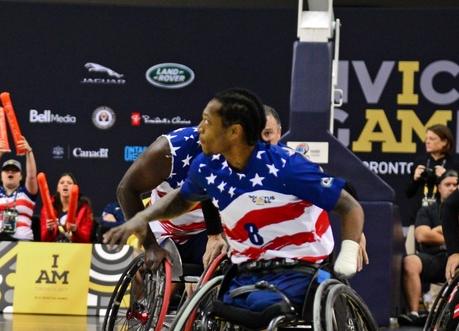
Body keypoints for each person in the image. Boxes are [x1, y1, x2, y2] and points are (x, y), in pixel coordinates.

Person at [106, 89, 365, 313]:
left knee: (226, 267)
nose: (201, 130)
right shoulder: (178, 152)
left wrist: (354, 232)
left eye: (209, 123)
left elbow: (338, 191)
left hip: (226, 238)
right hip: (169, 230)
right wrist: (147, 238)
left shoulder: (277, 161)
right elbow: (150, 194)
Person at [103, 127, 225, 277]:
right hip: (166, 231)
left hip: (204, 230)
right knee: (156, 273)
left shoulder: (249, 153)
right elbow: (125, 189)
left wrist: (215, 236)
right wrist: (150, 246)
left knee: (228, 260)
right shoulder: (171, 149)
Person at [399, 170, 459, 326]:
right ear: (439, 187)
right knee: (410, 261)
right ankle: (414, 313)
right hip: (438, 259)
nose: (452, 188)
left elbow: (430, 234)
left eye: (455, 185)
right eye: (448, 184)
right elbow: (422, 236)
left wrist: (438, 230)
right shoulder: (427, 210)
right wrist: (451, 232)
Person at [0, 137, 37, 241]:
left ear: (21, 176)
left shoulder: (27, 192)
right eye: (7, 171)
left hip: (23, 241)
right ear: (1, 176)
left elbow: (32, 176)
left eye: (14, 171)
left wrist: (29, 152)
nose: (10, 172)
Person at [402, 124, 459, 225]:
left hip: (446, 217)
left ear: (444, 142)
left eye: (432, 139)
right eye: (426, 138)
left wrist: (445, 176)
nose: (427, 142)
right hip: (419, 217)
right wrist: (415, 179)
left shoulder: (455, 163)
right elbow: (408, 193)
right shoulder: (420, 161)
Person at [40, 172, 93, 243]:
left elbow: (86, 239)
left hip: (76, 251)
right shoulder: (48, 208)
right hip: (53, 250)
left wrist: (75, 230)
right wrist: (49, 230)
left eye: (69, 183)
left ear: (75, 188)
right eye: (62, 183)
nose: (65, 184)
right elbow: (43, 240)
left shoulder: (84, 208)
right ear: (58, 189)